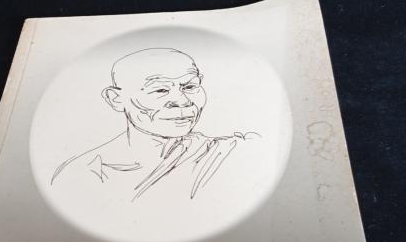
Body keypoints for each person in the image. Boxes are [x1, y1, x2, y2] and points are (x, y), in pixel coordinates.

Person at [51, 47, 255, 202]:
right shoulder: (82, 172)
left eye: (190, 86)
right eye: (160, 90)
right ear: (116, 99)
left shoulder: (228, 153)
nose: (182, 101)